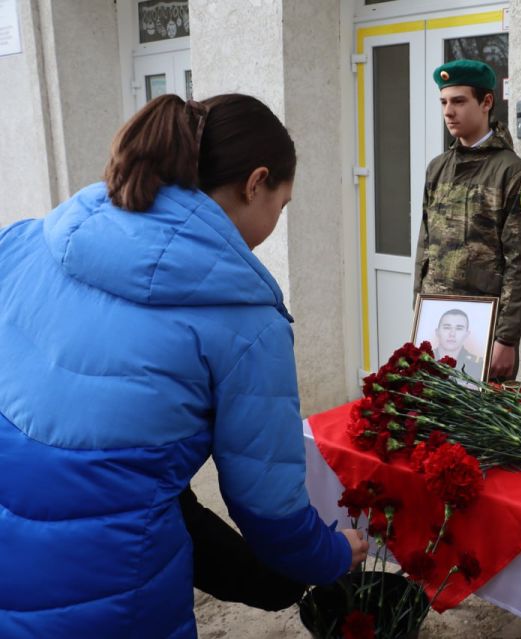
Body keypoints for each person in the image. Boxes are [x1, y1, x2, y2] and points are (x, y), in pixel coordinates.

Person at [0, 93, 368, 638]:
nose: (274, 221)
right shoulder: (246, 321)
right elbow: (269, 512)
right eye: (281, 205)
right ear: (254, 183)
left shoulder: (26, 240)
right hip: (113, 595)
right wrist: (333, 554)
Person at [414, 59, 521, 381]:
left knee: (485, 424)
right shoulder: (437, 168)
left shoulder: (513, 174)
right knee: (435, 417)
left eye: (458, 101)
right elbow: (425, 242)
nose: (448, 111)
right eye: (443, 101)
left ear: (486, 103)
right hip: (437, 326)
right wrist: (419, 309)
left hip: (485, 330)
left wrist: (506, 338)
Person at [434, 308, 484, 379]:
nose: (452, 334)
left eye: (459, 328)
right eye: (447, 327)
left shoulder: (479, 365)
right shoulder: (423, 360)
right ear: (437, 332)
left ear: (467, 334)